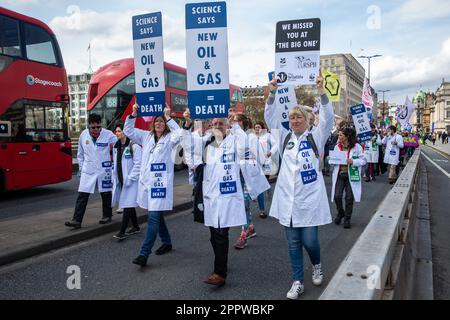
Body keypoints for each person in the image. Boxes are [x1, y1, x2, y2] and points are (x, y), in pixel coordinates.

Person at [268, 73, 334, 299]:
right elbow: (270, 118)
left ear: (307, 120)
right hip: (288, 199)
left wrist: (321, 92)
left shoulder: (316, 136)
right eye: (292, 118)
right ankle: (297, 280)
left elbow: (327, 118)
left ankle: (316, 264)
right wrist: (272, 93)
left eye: (299, 118)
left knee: (310, 241)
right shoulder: (284, 138)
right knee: (293, 243)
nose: (295, 121)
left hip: (309, 200)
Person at [124, 104, 182, 267]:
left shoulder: (169, 139)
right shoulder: (145, 136)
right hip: (146, 184)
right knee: (156, 215)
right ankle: (167, 241)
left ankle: (144, 253)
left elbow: (179, 133)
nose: (159, 124)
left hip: (160, 185)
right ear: (153, 124)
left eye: (162, 122)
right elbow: (128, 131)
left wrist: (169, 117)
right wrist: (134, 114)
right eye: (157, 121)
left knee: (153, 217)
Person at [65, 113, 117, 229]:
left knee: (106, 193)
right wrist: (82, 168)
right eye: (93, 127)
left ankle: (107, 216)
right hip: (88, 170)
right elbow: (80, 154)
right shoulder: (83, 135)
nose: (96, 130)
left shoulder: (108, 134)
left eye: (98, 127)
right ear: (89, 126)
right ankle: (76, 220)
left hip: (104, 169)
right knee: (82, 195)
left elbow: (120, 142)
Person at [232, 114, 270, 250]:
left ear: (241, 123)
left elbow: (251, 155)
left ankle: (244, 234)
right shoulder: (232, 135)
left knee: (243, 204)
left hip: (249, 176)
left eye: (235, 120)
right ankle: (251, 228)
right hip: (237, 176)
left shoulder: (251, 137)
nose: (232, 122)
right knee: (242, 204)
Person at [111, 121, 142, 240]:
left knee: (127, 204)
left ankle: (122, 231)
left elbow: (138, 164)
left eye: (119, 131)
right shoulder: (116, 146)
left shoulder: (134, 146)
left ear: (125, 131)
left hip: (131, 181)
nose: (117, 133)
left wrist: (131, 178)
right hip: (121, 179)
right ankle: (135, 226)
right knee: (129, 204)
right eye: (116, 131)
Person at [331, 127, 366, 228]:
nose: (339, 136)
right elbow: (334, 162)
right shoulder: (337, 147)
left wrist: (353, 162)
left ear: (347, 137)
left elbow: (363, 160)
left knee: (349, 198)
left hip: (352, 175)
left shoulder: (357, 147)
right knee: (337, 196)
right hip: (340, 175)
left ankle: (347, 219)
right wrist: (331, 160)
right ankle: (341, 212)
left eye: (341, 135)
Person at [254, 121, 278, 218]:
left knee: (264, 184)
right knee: (260, 188)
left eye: (258, 127)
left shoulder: (267, 136)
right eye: (255, 127)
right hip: (255, 165)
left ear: (262, 127)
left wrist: (270, 152)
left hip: (266, 164)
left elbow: (276, 144)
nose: (257, 129)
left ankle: (267, 188)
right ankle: (262, 210)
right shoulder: (251, 137)